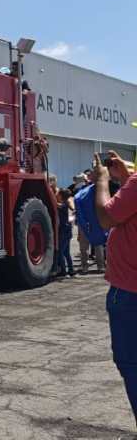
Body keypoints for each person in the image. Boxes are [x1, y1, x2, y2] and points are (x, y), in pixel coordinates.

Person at [92, 151, 137, 435]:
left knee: (131, 365)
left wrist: (102, 180)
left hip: (130, 292)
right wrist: (128, 177)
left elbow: (106, 217)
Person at [56, 189, 75, 277]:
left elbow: (57, 205)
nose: (56, 195)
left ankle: (63, 271)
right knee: (66, 252)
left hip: (64, 231)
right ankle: (71, 270)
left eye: (57, 194)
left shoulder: (64, 205)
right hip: (68, 231)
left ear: (61, 196)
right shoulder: (67, 205)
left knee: (60, 252)